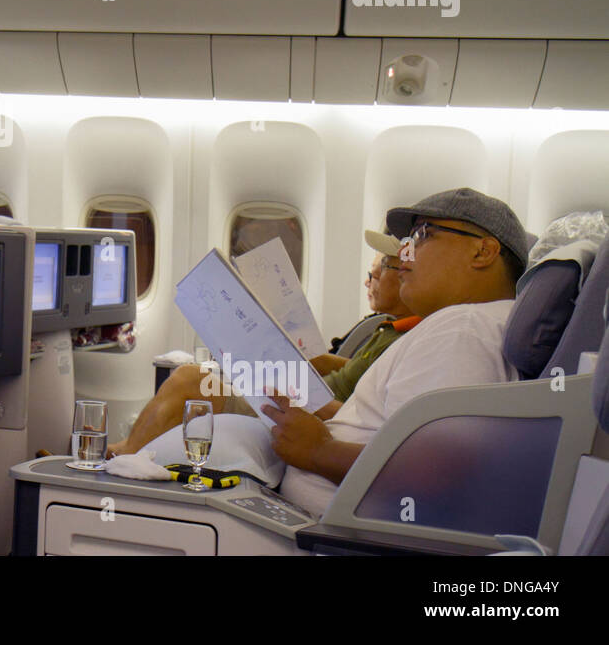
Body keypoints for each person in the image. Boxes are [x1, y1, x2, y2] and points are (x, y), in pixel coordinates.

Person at [267, 187, 526, 514]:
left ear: (483, 252)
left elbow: (431, 475)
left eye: (422, 235)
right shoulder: (463, 325)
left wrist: (318, 450)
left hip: (336, 538)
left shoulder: (464, 329)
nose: (404, 251)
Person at [108, 227, 420, 455]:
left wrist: (293, 387)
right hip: (301, 398)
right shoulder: (386, 329)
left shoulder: (410, 341)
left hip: (303, 414)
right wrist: (301, 357)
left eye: (382, 272)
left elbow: (361, 415)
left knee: (190, 380)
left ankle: (120, 458)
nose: (369, 280)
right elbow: (356, 373)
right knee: (197, 374)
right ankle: (120, 454)